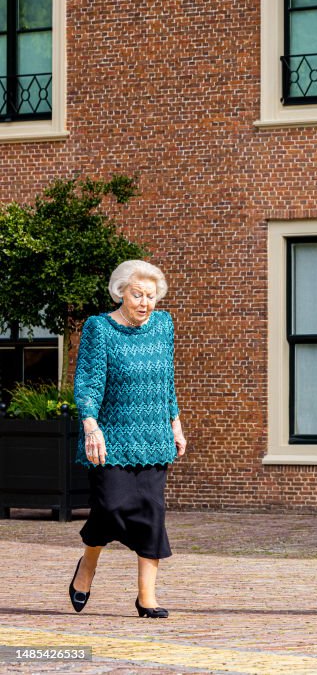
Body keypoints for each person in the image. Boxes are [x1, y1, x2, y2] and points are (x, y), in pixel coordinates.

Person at [67, 260, 186, 618]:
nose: (145, 302)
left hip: (153, 435)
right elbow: (87, 381)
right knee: (111, 507)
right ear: (121, 292)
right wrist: (91, 425)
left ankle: (146, 598)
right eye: (138, 294)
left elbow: (167, 381)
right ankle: (87, 566)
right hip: (111, 437)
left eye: (151, 296)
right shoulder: (100, 329)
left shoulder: (164, 325)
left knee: (152, 514)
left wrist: (175, 424)